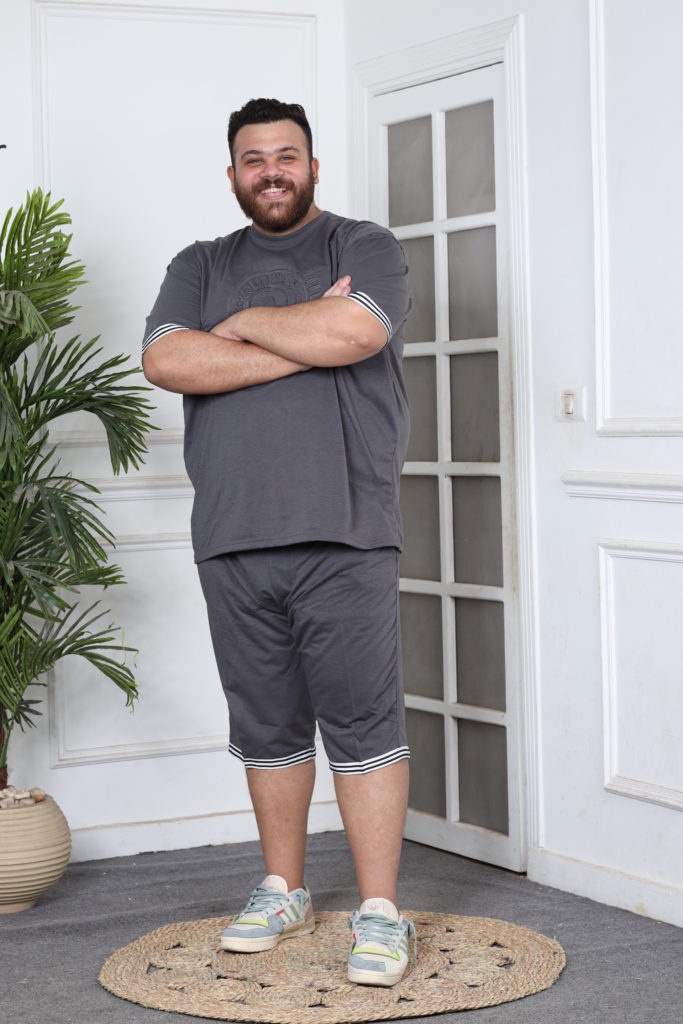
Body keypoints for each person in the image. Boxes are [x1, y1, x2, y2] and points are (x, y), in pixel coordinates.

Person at [142, 98, 414, 987]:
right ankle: (282, 888)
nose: (271, 171)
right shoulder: (198, 262)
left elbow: (357, 330)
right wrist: (303, 333)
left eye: (286, 155)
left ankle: (381, 911)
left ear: (313, 165)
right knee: (265, 722)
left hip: (346, 527)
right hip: (232, 533)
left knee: (362, 722)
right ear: (232, 175)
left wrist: (241, 324)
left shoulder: (362, 245)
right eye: (254, 159)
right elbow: (168, 360)